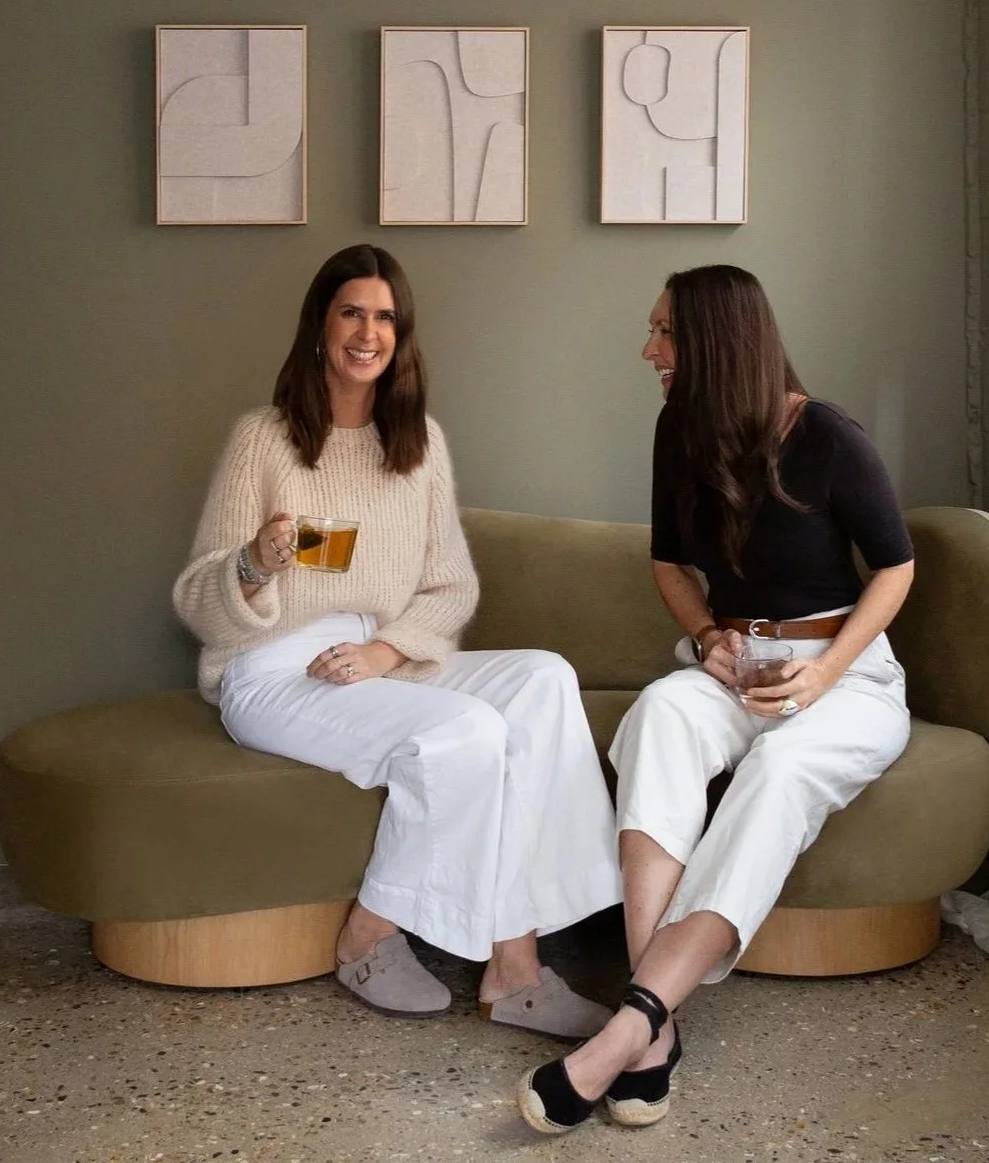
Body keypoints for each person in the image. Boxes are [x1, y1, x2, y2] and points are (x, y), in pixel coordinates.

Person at [174, 243, 620, 1033]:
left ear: (401, 334)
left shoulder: (420, 445)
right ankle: (372, 934)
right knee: (468, 729)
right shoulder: (263, 438)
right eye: (351, 311)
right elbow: (198, 601)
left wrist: (384, 652)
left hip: (378, 657)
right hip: (273, 669)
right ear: (320, 325)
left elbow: (452, 588)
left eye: (384, 317)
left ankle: (515, 964)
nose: (367, 332)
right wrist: (252, 563)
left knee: (545, 678)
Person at [519, 264, 916, 1132]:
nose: (648, 349)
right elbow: (669, 563)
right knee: (660, 713)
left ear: (717, 341)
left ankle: (630, 1025)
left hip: (846, 676)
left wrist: (825, 672)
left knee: (781, 767)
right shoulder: (679, 431)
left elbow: (897, 567)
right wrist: (706, 636)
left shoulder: (829, 437)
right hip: (735, 667)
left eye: (664, 331)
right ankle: (655, 1033)